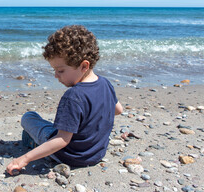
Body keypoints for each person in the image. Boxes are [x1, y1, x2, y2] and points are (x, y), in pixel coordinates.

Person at [6, 25, 123, 175]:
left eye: (60, 71)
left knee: (29, 117)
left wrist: (23, 159)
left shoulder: (73, 96)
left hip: (69, 156)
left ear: (84, 66)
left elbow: (62, 140)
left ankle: (34, 144)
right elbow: (118, 110)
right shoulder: (105, 83)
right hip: (96, 154)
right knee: (64, 125)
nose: (56, 75)